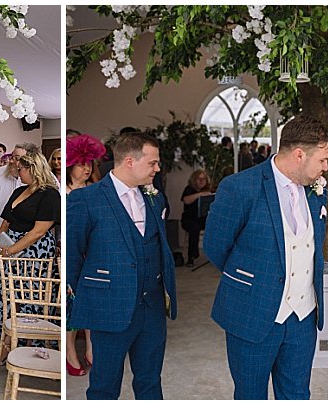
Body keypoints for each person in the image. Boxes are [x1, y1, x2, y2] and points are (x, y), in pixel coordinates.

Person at [205, 116, 328, 400]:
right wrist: (252, 281)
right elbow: (215, 246)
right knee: (251, 394)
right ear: (299, 155)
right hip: (252, 313)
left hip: (302, 317)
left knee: (297, 394)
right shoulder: (240, 187)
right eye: (322, 160)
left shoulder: (316, 191)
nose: (326, 168)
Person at [68, 132, 176, 400]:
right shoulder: (85, 199)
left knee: (151, 382)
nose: (157, 169)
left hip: (151, 310)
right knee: (104, 386)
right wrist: (85, 300)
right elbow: (72, 256)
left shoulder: (155, 197)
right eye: (152, 163)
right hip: (109, 309)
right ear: (130, 161)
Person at [0, 152, 61, 349]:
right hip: (10, 246)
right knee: (6, 295)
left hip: (34, 251)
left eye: (20, 169)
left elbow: (39, 231)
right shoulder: (19, 191)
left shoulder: (50, 194)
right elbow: (6, 220)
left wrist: (11, 250)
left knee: (29, 297)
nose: (17, 172)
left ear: (32, 169)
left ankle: (27, 344)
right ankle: (5, 340)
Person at [64, 133, 104, 376]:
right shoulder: (62, 191)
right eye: (81, 163)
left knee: (91, 302)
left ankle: (91, 348)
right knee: (71, 305)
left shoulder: (97, 190)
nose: (86, 168)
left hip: (93, 254)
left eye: (89, 163)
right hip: (69, 252)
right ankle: (70, 350)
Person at [180, 169, 214, 266]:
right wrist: (200, 195)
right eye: (199, 179)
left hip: (202, 219)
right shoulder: (189, 189)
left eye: (204, 179)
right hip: (189, 219)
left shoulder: (207, 189)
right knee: (194, 228)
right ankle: (192, 256)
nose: (202, 181)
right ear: (194, 180)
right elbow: (186, 200)